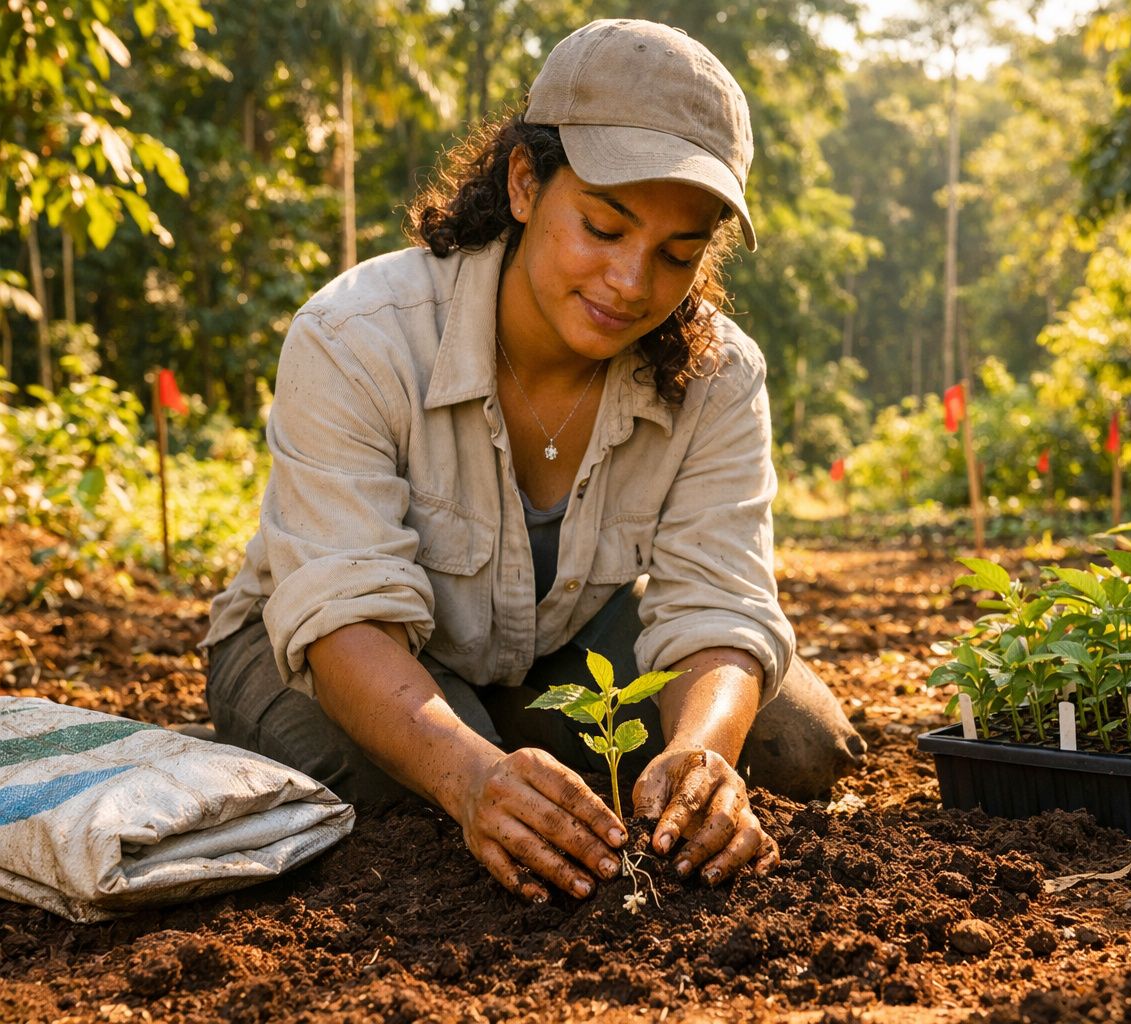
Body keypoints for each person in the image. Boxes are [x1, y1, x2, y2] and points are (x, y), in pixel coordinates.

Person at [201, 19, 865, 904]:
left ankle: (519, 749)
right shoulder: (357, 336)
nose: (631, 283)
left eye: (678, 254)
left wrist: (697, 754)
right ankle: (477, 752)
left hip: (555, 647)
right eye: (602, 227)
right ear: (524, 183)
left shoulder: (718, 375)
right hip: (333, 648)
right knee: (407, 813)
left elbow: (718, 601)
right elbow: (341, 612)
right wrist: (468, 774)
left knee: (795, 743)